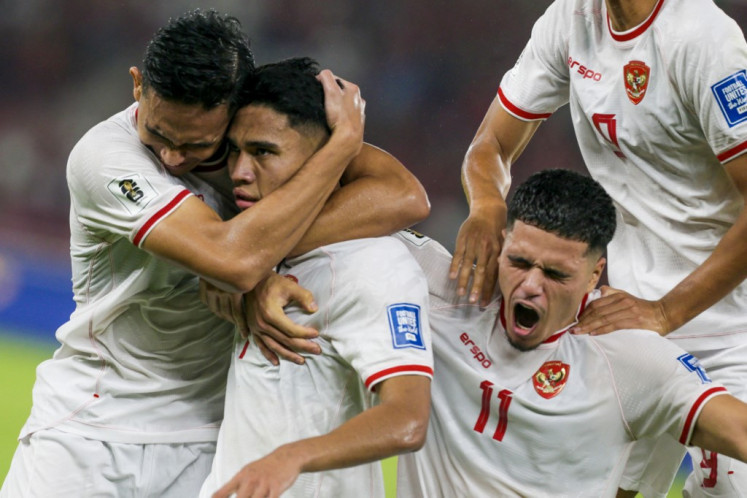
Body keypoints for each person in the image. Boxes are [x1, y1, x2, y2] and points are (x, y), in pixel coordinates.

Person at [0, 10, 430, 498]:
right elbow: (233, 258)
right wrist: (340, 149)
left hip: (208, 440)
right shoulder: (104, 157)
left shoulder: (250, 146)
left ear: (235, 109)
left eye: (199, 144)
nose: (173, 158)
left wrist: (258, 265)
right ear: (137, 86)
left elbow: (404, 195)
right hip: (94, 428)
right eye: (159, 134)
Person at [449, 0, 747, 495]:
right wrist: (485, 210)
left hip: (730, 334)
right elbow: (490, 145)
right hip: (628, 325)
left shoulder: (704, 41)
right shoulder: (570, 19)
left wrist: (667, 312)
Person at [392, 169, 747, 497]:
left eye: (555, 274)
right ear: (503, 243)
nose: (530, 285)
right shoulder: (440, 291)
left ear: (595, 275)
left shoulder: (629, 358)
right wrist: (485, 203)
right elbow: (361, 184)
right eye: (518, 261)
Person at [197, 57, 433, 498]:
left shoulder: (373, 264)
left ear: (328, 157)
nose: (240, 172)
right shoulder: (257, 247)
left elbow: (407, 419)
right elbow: (220, 277)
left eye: (264, 152)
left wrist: (292, 457)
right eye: (235, 150)